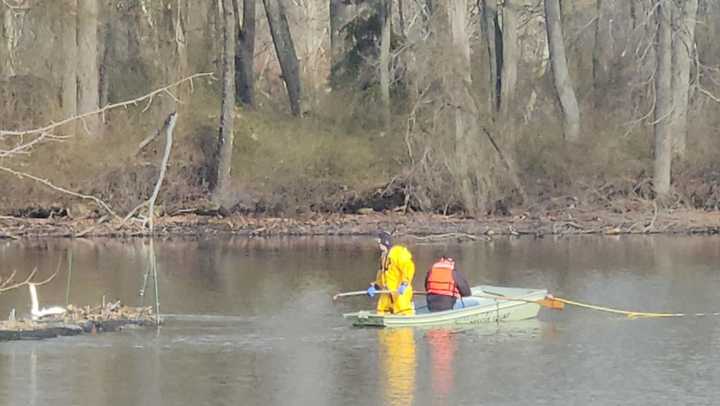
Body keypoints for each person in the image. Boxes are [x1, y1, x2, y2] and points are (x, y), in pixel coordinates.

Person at [367, 231, 416, 315]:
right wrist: (376, 286)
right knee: (381, 310)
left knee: (402, 312)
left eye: (380, 242)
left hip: (399, 291)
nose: (378, 244)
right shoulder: (384, 256)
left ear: (385, 242)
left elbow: (408, 268)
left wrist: (404, 284)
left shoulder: (399, 254)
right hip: (387, 291)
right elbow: (382, 274)